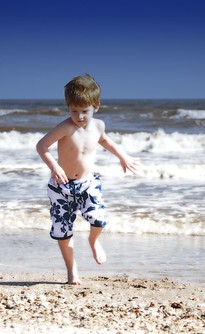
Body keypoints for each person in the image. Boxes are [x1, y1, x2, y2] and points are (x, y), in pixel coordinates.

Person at [36, 74, 138, 285]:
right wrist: (54, 166)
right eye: (74, 111)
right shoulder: (65, 127)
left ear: (96, 106)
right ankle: (72, 270)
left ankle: (93, 241)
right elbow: (42, 145)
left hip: (87, 183)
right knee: (62, 231)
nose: (79, 116)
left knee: (98, 218)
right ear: (68, 108)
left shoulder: (98, 125)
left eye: (85, 111)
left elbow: (106, 141)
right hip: (61, 188)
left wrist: (123, 156)